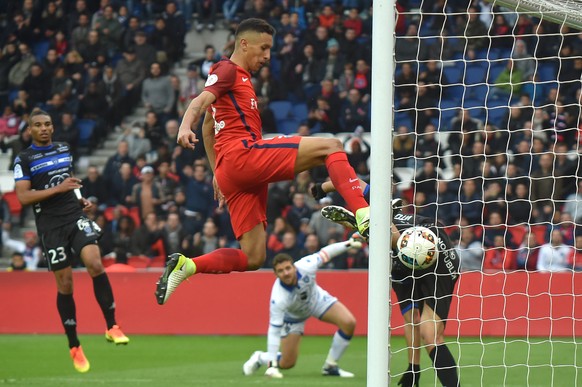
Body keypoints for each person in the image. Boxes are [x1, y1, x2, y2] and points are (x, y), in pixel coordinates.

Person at [155, 18, 370, 305]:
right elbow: (199, 102)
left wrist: (216, 172)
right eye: (264, 48)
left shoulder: (239, 81)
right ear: (244, 43)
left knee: (253, 256)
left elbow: (209, 127)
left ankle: (188, 266)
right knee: (331, 145)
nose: (268, 56)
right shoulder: (227, 69)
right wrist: (184, 126)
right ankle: (363, 214)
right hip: (243, 156)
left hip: (234, 171)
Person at [311, 180, 460, 387]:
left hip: (439, 256)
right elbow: (411, 320)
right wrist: (413, 367)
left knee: (431, 335)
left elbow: (353, 182)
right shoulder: (392, 265)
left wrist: (325, 186)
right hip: (402, 259)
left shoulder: (383, 214)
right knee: (418, 323)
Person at [13, 110, 129, 374]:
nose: (43, 129)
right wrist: (59, 189)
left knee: (95, 263)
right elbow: (23, 197)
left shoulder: (64, 149)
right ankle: (74, 345)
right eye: (38, 125)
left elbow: (70, 183)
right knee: (65, 283)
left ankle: (112, 325)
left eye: (47, 124)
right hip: (50, 226)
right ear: (30, 130)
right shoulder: (24, 158)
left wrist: (79, 198)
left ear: (53, 128)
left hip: (74, 216)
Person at [242, 236, 363, 379]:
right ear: (275, 274)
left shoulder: (306, 265)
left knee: (348, 323)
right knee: (288, 363)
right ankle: (260, 357)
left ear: (294, 266)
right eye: (281, 271)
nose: (286, 273)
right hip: (294, 317)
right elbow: (274, 330)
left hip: (317, 300)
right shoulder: (278, 298)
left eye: (288, 268)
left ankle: (330, 366)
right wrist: (272, 366)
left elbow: (326, 253)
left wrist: (348, 244)